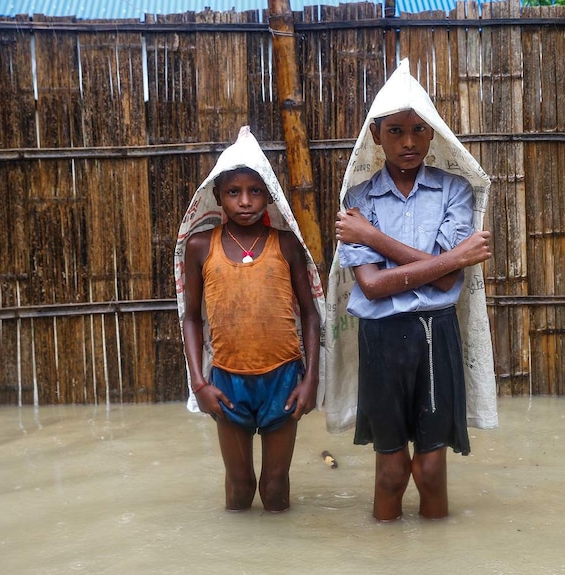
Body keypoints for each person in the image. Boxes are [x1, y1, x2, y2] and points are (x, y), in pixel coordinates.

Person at [330, 60, 495, 521]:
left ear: (432, 135)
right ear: (376, 136)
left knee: (430, 469)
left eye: (419, 130)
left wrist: (375, 239)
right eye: (396, 130)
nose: (408, 142)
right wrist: (453, 259)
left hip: (434, 335)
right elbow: (373, 285)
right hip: (381, 341)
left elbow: (445, 284)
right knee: (390, 470)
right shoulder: (357, 200)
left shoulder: (455, 190)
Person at [175, 126, 323, 513]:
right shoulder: (200, 246)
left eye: (255, 191)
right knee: (240, 489)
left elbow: (310, 314)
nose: (244, 201)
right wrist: (198, 383)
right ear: (218, 197)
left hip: (284, 378)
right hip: (227, 382)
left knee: (275, 489)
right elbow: (191, 318)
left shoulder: (286, 245)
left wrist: (311, 380)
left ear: (269, 195)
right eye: (233, 192)